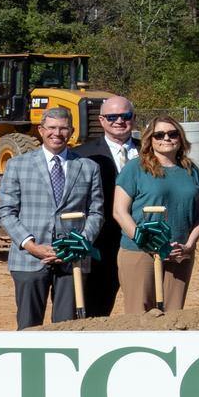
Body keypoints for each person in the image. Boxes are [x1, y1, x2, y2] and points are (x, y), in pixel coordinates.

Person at [0, 106, 103, 328]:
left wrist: (77, 245)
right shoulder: (17, 165)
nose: (57, 133)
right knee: (28, 327)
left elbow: (96, 212)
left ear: (71, 131)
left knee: (68, 327)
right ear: (41, 130)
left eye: (63, 128)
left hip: (72, 261)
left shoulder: (88, 167)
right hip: (29, 259)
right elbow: (6, 211)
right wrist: (31, 245)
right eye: (52, 127)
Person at [112, 115, 199, 314]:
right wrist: (145, 241)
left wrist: (189, 245)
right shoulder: (135, 168)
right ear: (150, 139)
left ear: (180, 137)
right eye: (159, 135)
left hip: (179, 253)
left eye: (173, 134)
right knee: (140, 314)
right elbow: (119, 212)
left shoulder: (190, 170)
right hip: (140, 252)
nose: (166, 138)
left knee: (173, 314)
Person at [72, 94, 138, 317]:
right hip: (101, 245)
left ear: (133, 118)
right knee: (96, 310)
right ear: (101, 120)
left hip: (143, 243)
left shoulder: (152, 151)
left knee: (144, 309)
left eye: (125, 115)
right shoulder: (81, 155)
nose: (119, 121)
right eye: (112, 117)